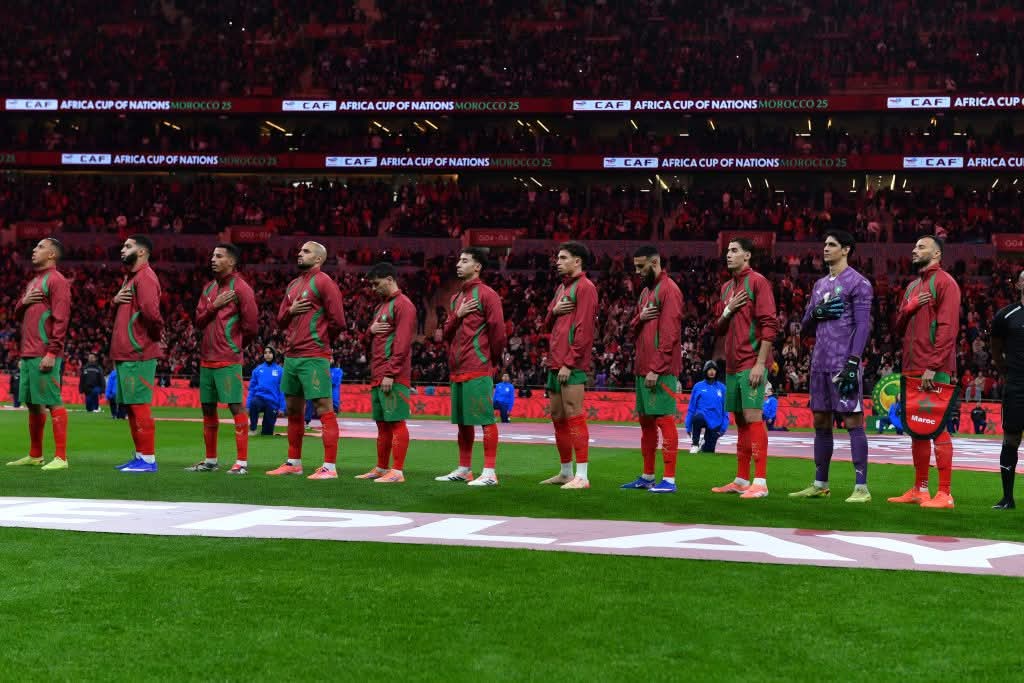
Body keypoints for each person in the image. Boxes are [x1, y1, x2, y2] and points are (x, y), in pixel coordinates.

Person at [790, 230, 873, 503]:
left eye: (832, 244)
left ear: (846, 249)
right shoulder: (819, 285)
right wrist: (816, 313)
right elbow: (805, 326)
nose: (825, 248)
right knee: (820, 421)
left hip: (843, 363)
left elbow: (863, 325)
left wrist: (853, 361)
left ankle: (861, 488)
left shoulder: (859, 283)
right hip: (819, 363)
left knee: (852, 421)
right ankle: (820, 484)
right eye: (825, 244)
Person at [888, 235, 961, 509]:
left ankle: (945, 493)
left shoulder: (945, 283)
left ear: (937, 254)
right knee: (918, 429)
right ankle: (920, 489)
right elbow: (897, 327)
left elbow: (947, 328)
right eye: (914, 246)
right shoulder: (912, 287)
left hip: (933, 369)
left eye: (921, 247)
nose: (914, 249)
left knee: (937, 428)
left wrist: (934, 365)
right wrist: (909, 308)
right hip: (912, 367)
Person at [269, 241, 346, 479]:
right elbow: (280, 320)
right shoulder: (293, 285)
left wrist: (321, 341)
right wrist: (290, 311)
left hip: (314, 355)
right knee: (293, 410)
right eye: (300, 250)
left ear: (319, 259)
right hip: (291, 356)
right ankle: (294, 463)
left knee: (324, 408)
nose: (299, 253)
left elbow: (338, 321)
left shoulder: (324, 282)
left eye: (306, 251)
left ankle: (329, 467)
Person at [711, 238, 780, 499]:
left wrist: (760, 363)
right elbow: (718, 327)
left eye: (734, 250)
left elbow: (769, 324)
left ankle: (760, 482)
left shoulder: (758, 282)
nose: (728, 255)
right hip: (731, 364)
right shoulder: (726, 288)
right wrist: (728, 309)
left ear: (747, 255)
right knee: (740, 420)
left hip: (752, 361)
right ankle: (741, 480)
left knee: (753, 417)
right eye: (727, 251)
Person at [435, 247, 506, 486]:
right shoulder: (456, 298)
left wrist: (491, 360)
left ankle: (490, 473)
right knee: (463, 421)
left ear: (477, 267)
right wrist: (458, 314)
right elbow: (445, 333)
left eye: (464, 261)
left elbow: (498, 333)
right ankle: (465, 469)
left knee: (485, 419)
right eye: (459, 260)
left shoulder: (488, 295)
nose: (458, 264)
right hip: (457, 369)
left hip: (478, 366)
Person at [186, 244, 259, 475]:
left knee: (235, 406)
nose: (213, 259)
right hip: (206, 358)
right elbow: (198, 321)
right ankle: (210, 461)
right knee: (207, 409)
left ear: (232, 261)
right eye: (212, 255)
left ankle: (242, 463)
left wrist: (235, 347)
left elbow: (251, 326)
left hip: (228, 359)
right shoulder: (209, 288)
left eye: (219, 256)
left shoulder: (242, 288)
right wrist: (213, 306)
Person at [621, 245, 684, 494]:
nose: (637, 272)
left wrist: (656, 369)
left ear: (655, 263)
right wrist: (641, 317)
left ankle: (669, 479)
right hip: (643, 367)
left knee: (664, 420)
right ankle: (647, 476)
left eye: (641, 266)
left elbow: (670, 334)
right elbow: (632, 328)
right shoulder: (646, 292)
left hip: (661, 370)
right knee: (646, 422)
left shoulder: (669, 290)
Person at [6, 238, 71, 471]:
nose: (34, 250)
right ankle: (35, 455)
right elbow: (17, 315)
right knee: (32, 403)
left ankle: (61, 457)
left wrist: (52, 352)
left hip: (44, 351)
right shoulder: (34, 281)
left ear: (52, 254)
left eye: (40, 247)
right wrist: (23, 302)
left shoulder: (57, 280)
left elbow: (62, 319)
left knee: (52, 401)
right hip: (28, 352)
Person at [539, 242, 599, 490]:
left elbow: (585, 330)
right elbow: (545, 325)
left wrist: (569, 363)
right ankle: (566, 472)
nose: (558, 262)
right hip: (555, 362)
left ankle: (582, 476)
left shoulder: (585, 288)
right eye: (558, 257)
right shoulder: (561, 288)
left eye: (563, 258)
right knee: (558, 416)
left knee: (574, 414)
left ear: (577, 261)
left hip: (570, 365)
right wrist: (553, 311)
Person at [357, 262, 416, 483]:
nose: (374, 288)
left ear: (390, 280)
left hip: (393, 375)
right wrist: (369, 331)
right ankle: (382, 468)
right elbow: (366, 341)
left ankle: (397, 471)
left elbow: (402, 342)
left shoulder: (404, 305)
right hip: (377, 373)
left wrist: (391, 373)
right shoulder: (380, 307)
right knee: (382, 424)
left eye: (376, 284)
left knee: (396, 422)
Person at [110, 235, 164, 473]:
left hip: (138, 351)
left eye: (128, 246)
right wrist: (114, 301)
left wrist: (153, 337)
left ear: (142, 252)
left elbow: (152, 314)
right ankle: (140, 456)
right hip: (126, 352)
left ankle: (148, 460)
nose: (123, 249)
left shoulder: (145, 277)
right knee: (131, 406)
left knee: (139, 405)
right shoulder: (131, 278)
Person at [991, 268, 1024, 509]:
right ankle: (1007, 498)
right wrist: (1008, 374)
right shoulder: (1005, 315)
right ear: (1019, 285)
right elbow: (995, 350)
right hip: (1016, 386)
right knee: (1011, 438)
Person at [685, 361, 728, 453]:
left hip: (716, 421)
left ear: (716, 372)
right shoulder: (698, 386)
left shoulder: (722, 388)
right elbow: (691, 407)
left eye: (714, 369)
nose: (712, 371)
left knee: (708, 451)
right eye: (709, 369)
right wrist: (688, 425)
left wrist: (723, 427)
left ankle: (703, 445)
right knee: (698, 418)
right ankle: (695, 444)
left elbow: (726, 409)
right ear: (705, 371)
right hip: (702, 416)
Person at [247, 347, 285, 436]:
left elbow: (282, 391)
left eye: (270, 352)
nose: (267, 355)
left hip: (273, 402)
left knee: (267, 433)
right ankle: (253, 429)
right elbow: (252, 389)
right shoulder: (257, 370)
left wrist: (282, 408)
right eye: (265, 353)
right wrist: (248, 406)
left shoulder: (280, 371)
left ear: (274, 355)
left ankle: (266, 430)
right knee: (254, 403)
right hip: (259, 398)